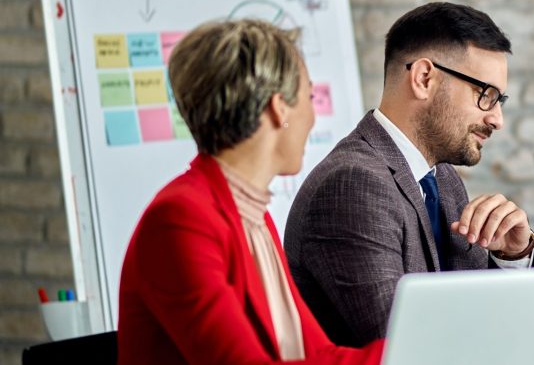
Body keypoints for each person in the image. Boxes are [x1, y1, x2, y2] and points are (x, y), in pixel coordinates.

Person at [284, 2, 534, 364]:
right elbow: (406, 349)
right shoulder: (354, 185)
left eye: (499, 100)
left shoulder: (442, 179)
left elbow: (481, 318)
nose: (497, 118)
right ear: (424, 78)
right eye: (484, 94)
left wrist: (511, 257)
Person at [117, 19, 383, 363]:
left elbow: (317, 352)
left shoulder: (255, 217)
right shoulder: (179, 220)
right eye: (309, 97)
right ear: (279, 108)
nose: (313, 117)